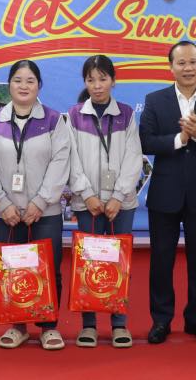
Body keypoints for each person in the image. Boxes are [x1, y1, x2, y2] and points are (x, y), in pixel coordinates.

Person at [140, 41, 196, 345]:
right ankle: (161, 320)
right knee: (161, 260)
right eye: (181, 63)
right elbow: (146, 142)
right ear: (171, 67)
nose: (188, 68)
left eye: (193, 62)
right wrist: (180, 138)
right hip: (165, 192)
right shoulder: (155, 100)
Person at [0, 59, 71, 350]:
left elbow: (61, 163)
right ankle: (17, 325)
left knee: (49, 267)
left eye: (30, 81)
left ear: (39, 86)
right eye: (18, 80)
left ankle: (48, 326)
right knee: (12, 269)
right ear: (10, 84)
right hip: (6, 213)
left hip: (46, 211)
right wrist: (2, 203)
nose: (24, 86)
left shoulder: (55, 121)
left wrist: (41, 202)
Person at [66, 55, 144, 348]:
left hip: (121, 204)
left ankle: (118, 323)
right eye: (90, 80)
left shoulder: (126, 114)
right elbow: (70, 159)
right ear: (84, 82)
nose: (97, 86)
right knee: (88, 260)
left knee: (118, 261)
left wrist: (117, 196)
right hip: (87, 203)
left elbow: (134, 157)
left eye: (102, 79)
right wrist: (87, 194)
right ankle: (88, 324)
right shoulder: (73, 115)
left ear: (113, 80)